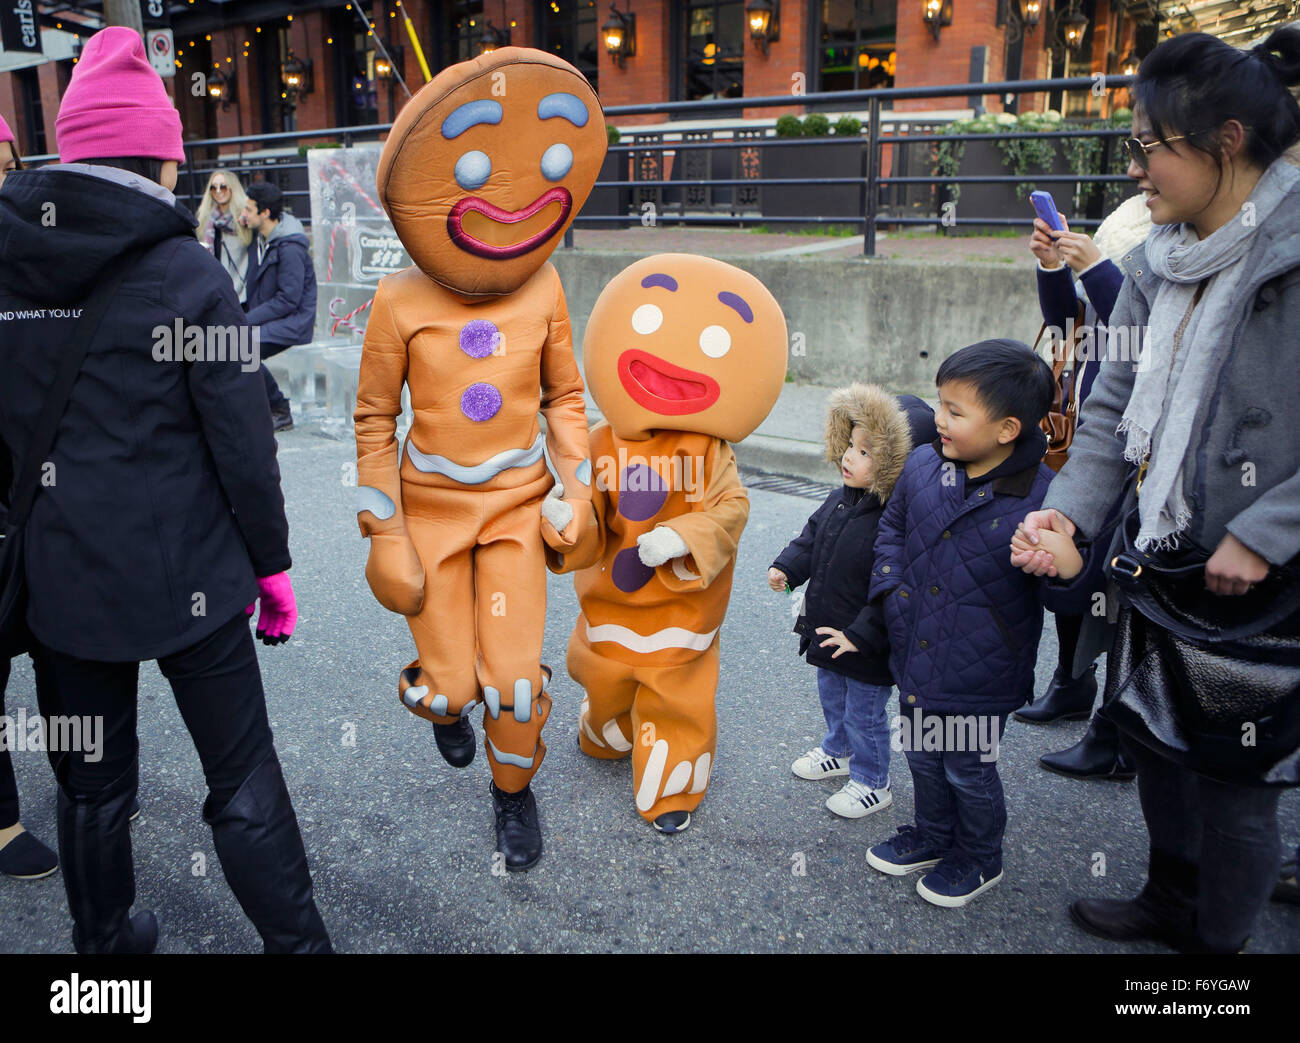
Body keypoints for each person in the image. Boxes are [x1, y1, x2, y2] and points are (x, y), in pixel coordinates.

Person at [0, 27, 330, 953]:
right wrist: (272, 566)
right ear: (158, 158)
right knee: (241, 774)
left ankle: (105, 953)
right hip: (193, 576)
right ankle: (299, 946)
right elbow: (242, 443)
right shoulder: (187, 275)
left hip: (63, 583)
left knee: (93, 785)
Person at [1013, 28, 1300, 954]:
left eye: (1149, 144)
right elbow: (1112, 404)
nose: (1135, 165)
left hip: (1267, 571)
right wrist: (1068, 510)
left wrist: (1267, 528)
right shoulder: (1156, 261)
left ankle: (1219, 957)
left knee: (1238, 778)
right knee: (1155, 739)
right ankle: (1168, 899)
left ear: (1224, 141)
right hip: (1161, 545)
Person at [864, 339, 1056, 907]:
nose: (938, 420)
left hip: (981, 669)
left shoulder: (1042, 499)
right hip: (915, 649)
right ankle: (931, 835)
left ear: (1006, 429)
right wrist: (892, 587)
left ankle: (978, 857)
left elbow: (1063, 591)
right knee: (922, 755)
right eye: (939, 403)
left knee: (966, 770)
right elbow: (892, 528)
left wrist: (1062, 568)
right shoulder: (925, 464)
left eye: (955, 411)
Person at [1013, 194, 1151, 784]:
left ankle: (1118, 730)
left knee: (1116, 583)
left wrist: (1094, 266)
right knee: (1072, 567)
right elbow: (1072, 323)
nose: (1136, 164)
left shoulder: (1172, 250)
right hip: (1097, 433)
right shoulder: (1139, 219)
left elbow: (1140, 325)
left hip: (1139, 447)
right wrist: (1053, 265)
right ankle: (1072, 684)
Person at [770, 386, 936, 819]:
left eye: (866, 452)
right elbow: (811, 538)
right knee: (831, 695)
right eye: (849, 444)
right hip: (828, 625)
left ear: (897, 465)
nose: (848, 456)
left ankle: (871, 781)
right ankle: (837, 750)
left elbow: (895, 589)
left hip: (865, 640)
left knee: (865, 712)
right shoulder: (840, 498)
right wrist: (787, 568)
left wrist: (861, 635)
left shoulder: (898, 521)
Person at [0, 114, 62, 882]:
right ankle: (3, 819)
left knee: (57, 635)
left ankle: (90, 781)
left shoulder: (36, 248)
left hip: (33, 483)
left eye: (5, 161)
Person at [241, 181, 317, 433]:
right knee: (225, 345)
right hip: (272, 317)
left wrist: (245, 321)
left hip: (294, 320)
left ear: (265, 213)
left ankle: (280, 409)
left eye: (249, 210)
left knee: (240, 349)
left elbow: (289, 300)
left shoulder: (290, 249)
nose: (244, 215)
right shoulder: (263, 241)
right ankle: (258, 408)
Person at [195, 168, 253, 304]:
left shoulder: (244, 218)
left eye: (223, 187)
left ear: (233, 188)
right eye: (213, 188)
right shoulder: (206, 219)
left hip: (243, 288)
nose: (218, 191)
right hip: (217, 287)